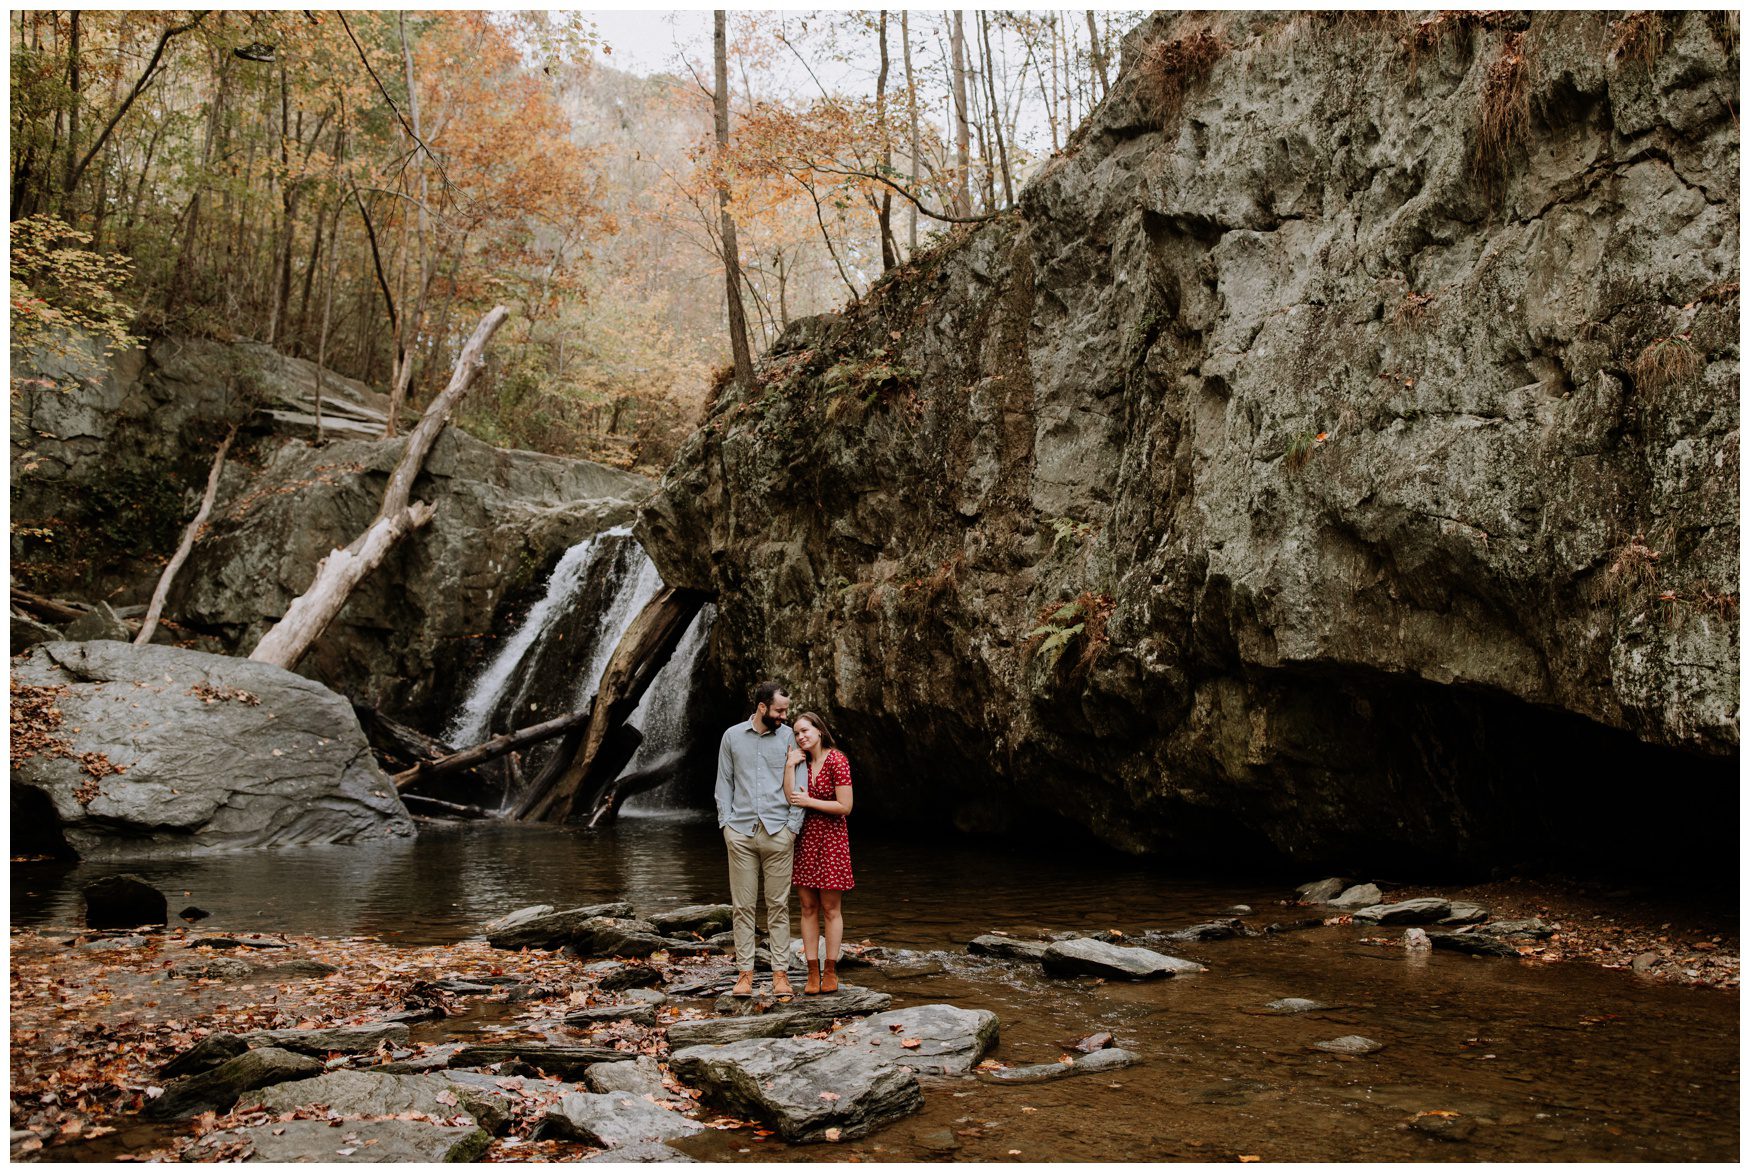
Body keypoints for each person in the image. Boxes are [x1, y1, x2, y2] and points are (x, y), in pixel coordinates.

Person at [715, 681, 806, 997]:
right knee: (742, 907)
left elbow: (801, 784)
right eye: (779, 710)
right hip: (740, 833)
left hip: (779, 832)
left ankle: (781, 974)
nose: (784, 716)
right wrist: (725, 824)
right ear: (762, 707)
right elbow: (723, 783)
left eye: (786, 710)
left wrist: (792, 828)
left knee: (778, 905)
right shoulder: (732, 737)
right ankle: (745, 974)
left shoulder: (790, 737)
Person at [784, 712, 854, 995]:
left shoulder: (837, 760)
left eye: (805, 731)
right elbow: (790, 798)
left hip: (832, 839)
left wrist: (810, 801)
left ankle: (830, 971)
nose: (801, 737)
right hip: (805, 838)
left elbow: (845, 806)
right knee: (807, 906)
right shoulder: (800, 762)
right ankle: (812, 973)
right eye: (797, 733)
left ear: (820, 731)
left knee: (830, 908)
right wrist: (789, 766)